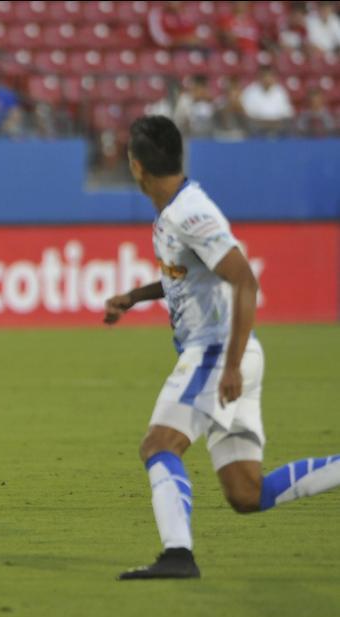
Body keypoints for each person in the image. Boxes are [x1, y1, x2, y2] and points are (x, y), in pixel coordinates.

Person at [105, 115, 340, 580]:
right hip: (234, 355)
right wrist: (133, 297)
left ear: (136, 167)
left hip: (218, 353)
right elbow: (187, 274)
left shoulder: (190, 214)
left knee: (159, 444)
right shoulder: (174, 209)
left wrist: (230, 366)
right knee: (246, 493)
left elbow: (244, 279)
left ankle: (177, 554)